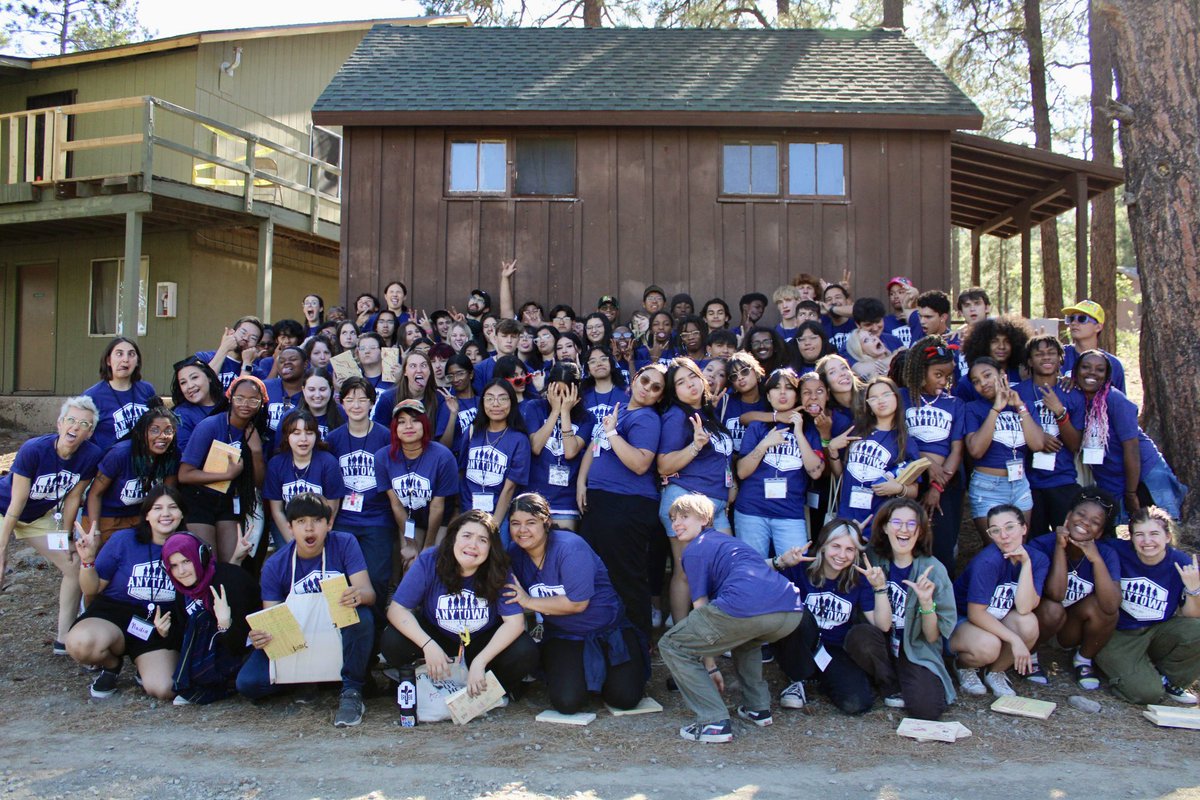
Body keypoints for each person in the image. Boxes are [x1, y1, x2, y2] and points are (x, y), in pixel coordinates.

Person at [658, 493, 804, 743]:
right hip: (790, 612)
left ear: (704, 519)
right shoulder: (730, 542)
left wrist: (710, 665)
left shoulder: (693, 551)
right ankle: (757, 707)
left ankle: (713, 721)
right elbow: (757, 569)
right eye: (673, 519)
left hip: (747, 606)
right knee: (747, 638)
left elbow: (701, 610)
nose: (676, 524)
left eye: (684, 517)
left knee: (672, 645)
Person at [236, 493, 376, 728]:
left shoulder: (344, 543)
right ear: (289, 528)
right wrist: (261, 635)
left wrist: (357, 595)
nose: (309, 529)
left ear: (329, 524)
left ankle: (351, 690)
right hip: (298, 639)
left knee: (362, 616)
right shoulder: (275, 564)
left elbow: (369, 594)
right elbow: (271, 618)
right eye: (301, 522)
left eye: (316, 521)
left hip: (335, 631)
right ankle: (308, 678)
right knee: (249, 683)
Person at [504, 493, 646, 714]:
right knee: (567, 703)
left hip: (608, 630)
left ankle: (612, 672)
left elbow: (578, 604)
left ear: (546, 522)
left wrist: (529, 601)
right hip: (564, 634)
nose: (522, 530)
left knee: (624, 698)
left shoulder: (569, 547)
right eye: (515, 524)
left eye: (531, 522)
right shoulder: (515, 554)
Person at [381, 509, 539, 703]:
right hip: (440, 638)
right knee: (392, 640)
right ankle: (421, 682)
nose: (473, 545)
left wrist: (480, 662)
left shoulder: (498, 567)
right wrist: (428, 645)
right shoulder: (430, 560)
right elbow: (397, 609)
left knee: (524, 650)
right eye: (467, 536)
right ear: (453, 538)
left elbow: (514, 623)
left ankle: (493, 689)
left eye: (483, 540)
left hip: (481, 641)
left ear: (491, 547)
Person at [0, 397, 103, 652]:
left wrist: (64, 536)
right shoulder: (34, 449)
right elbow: (17, 501)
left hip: (35, 517)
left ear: (89, 432)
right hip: (5, 508)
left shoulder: (91, 455)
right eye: (71, 420)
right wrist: (2, 547)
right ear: (59, 424)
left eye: (83, 423)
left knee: (74, 564)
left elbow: (73, 498)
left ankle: (64, 637)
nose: (75, 427)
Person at [66, 485, 184, 700]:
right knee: (81, 643)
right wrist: (87, 561)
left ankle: (143, 664)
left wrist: (235, 560)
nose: (165, 514)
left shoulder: (191, 545)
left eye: (173, 507)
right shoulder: (124, 540)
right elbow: (91, 588)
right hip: (115, 613)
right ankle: (112, 665)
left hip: (161, 622)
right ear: (147, 514)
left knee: (165, 689)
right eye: (157, 508)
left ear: (182, 513)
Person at [845, 500, 957, 719]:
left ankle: (907, 678)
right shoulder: (872, 559)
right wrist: (852, 538)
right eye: (896, 522)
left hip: (916, 648)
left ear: (920, 530)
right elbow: (837, 555)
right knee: (859, 636)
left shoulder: (934, 570)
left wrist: (926, 604)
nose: (903, 530)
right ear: (885, 527)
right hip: (883, 642)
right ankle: (889, 683)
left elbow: (933, 636)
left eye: (911, 524)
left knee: (928, 710)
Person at [577, 364, 665, 636]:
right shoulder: (622, 411)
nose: (647, 388)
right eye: (645, 380)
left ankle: (639, 642)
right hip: (601, 500)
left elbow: (640, 463)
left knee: (626, 576)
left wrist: (613, 433)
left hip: (627, 504)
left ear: (660, 397)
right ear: (635, 378)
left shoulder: (647, 418)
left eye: (656, 388)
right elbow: (595, 448)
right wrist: (582, 482)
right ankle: (607, 635)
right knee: (600, 573)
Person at [772, 518, 890, 715]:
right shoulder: (799, 568)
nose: (841, 555)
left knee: (857, 703)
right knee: (799, 615)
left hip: (832, 649)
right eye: (836, 546)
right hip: (797, 644)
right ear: (823, 546)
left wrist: (879, 588)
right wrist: (781, 563)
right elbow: (755, 583)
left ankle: (822, 679)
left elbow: (884, 626)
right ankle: (796, 679)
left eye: (850, 549)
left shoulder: (859, 579)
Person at [657, 357, 736, 624]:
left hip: (716, 505)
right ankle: (682, 635)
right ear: (673, 391)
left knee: (723, 567)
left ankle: (716, 632)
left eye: (692, 376)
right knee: (686, 571)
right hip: (686, 500)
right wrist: (694, 447)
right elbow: (663, 465)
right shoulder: (676, 416)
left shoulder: (709, 414)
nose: (689, 384)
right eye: (680, 382)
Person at [1095, 506, 1200, 704]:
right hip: (1117, 633)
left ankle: (1170, 681)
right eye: (1139, 535)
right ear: (1131, 538)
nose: (1147, 541)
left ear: (1168, 536)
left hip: (1156, 630)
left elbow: (1192, 616)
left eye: (1154, 534)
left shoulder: (1180, 562)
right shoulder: (1115, 550)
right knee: (1148, 694)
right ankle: (1125, 670)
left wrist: (1194, 590)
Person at [1074, 350, 1185, 521]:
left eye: (1100, 369)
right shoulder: (1076, 398)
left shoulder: (1115, 399)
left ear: (1107, 375)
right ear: (1075, 371)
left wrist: (1131, 492)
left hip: (1142, 471)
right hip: (1109, 475)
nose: (1092, 373)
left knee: (1154, 523)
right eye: (1085, 367)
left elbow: (1131, 448)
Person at [950, 504, 1048, 698]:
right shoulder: (988, 561)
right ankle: (963, 666)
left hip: (996, 618)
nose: (1003, 535)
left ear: (1024, 528)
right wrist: (1014, 639)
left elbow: (1024, 607)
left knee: (1028, 623)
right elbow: (975, 613)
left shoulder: (1038, 559)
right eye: (995, 530)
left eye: (1009, 527)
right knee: (988, 646)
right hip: (963, 621)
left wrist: (1026, 564)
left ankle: (995, 672)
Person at [1027, 487, 1120, 689]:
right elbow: (1056, 594)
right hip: (1040, 621)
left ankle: (1083, 660)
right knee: (1053, 608)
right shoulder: (1041, 545)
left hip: (1070, 629)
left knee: (1104, 608)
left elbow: (1111, 606)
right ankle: (1031, 655)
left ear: (1100, 532)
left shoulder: (1105, 553)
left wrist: (1095, 558)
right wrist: (1060, 548)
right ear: (1068, 516)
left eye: (1095, 522)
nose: (1086, 522)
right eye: (1081, 514)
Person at [159, 530, 259, 704]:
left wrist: (225, 624)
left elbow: (242, 642)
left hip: (246, 648)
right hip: (218, 646)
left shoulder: (230, 581)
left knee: (202, 618)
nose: (181, 571)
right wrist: (165, 633)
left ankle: (220, 683)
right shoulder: (184, 590)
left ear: (201, 557)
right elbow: (184, 635)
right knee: (199, 619)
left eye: (186, 561)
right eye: (174, 565)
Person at [734, 368, 825, 556]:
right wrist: (765, 444)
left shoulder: (809, 430)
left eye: (789, 388)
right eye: (776, 388)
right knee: (753, 570)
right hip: (752, 511)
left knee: (796, 571)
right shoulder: (757, 427)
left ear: (796, 395)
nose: (782, 393)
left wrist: (798, 433)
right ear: (768, 396)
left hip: (790, 513)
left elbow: (815, 471)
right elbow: (742, 472)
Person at [326, 377, 394, 623]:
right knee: (341, 579)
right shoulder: (333, 440)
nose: (356, 405)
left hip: (378, 519)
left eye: (362, 399)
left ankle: (374, 638)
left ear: (372, 403)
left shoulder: (385, 436)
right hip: (343, 518)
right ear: (341, 403)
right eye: (350, 399)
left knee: (376, 578)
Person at [177, 375, 266, 561]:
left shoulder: (254, 431)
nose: (245, 404)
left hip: (229, 501)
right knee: (207, 562)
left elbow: (258, 482)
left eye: (253, 400)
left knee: (233, 562)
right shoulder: (209, 426)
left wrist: (256, 451)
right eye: (240, 398)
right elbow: (184, 475)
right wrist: (226, 474)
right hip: (199, 500)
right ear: (230, 398)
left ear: (261, 403)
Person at [899, 336, 966, 574]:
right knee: (908, 543)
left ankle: (939, 604)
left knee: (942, 546)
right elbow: (901, 436)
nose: (943, 381)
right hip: (910, 480)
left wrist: (937, 488)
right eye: (938, 374)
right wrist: (925, 463)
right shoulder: (902, 398)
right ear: (920, 370)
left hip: (945, 484)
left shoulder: (955, 403)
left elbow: (956, 448)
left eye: (948, 376)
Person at [963, 357, 1046, 539]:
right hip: (988, 486)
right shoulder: (972, 408)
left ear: (1002, 375)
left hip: (1020, 484)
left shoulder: (1025, 405)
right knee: (995, 547)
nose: (983, 383)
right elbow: (976, 451)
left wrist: (1019, 406)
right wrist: (996, 409)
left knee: (1019, 545)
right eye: (976, 382)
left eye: (987, 376)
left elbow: (1038, 444)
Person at [377, 399, 460, 572]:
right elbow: (396, 504)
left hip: (441, 519)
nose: (408, 426)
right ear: (394, 428)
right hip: (409, 518)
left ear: (424, 425)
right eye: (401, 422)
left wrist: (428, 547)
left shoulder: (443, 456)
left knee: (434, 563)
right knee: (410, 565)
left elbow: (438, 507)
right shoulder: (382, 457)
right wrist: (410, 543)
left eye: (415, 420)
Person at [826, 377, 920, 527]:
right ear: (868, 404)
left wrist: (899, 489)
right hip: (846, 517)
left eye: (886, 395)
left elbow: (914, 490)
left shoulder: (906, 442)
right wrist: (832, 449)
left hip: (879, 522)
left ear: (896, 397)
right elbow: (840, 474)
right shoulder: (855, 430)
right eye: (874, 398)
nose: (881, 401)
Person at [1017, 335, 1085, 537]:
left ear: (1060, 358)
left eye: (1051, 353)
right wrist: (1038, 440)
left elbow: (1075, 445)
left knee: (1068, 540)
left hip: (1062, 480)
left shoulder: (1073, 394)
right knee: (1033, 543)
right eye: (1039, 354)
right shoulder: (1017, 394)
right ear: (1029, 361)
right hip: (1026, 483)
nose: (1046, 358)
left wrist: (1060, 413)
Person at [84, 407, 180, 541]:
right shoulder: (120, 454)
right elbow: (95, 494)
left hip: (141, 516)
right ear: (141, 433)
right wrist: (94, 532)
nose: (163, 436)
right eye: (154, 430)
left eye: (168, 431)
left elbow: (167, 496)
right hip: (107, 515)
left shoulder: (172, 456)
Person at [521, 363, 594, 530]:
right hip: (535, 495)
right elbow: (536, 447)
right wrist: (555, 412)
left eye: (566, 393)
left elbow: (570, 452)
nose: (561, 397)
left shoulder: (586, 418)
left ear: (576, 391)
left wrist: (565, 412)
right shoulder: (535, 407)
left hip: (565, 499)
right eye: (556, 392)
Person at [459, 380, 530, 537]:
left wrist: (494, 525)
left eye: (502, 398)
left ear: (511, 402)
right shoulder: (472, 431)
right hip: (468, 512)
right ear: (482, 402)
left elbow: (509, 488)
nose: (495, 404)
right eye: (489, 398)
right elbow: (462, 472)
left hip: (500, 516)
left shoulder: (519, 439)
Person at [263, 410, 345, 542]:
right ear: (286, 436)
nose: (303, 439)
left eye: (309, 433)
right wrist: (293, 542)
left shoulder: (328, 462)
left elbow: (332, 508)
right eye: (296, 433)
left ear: (316, 436)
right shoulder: (276, 464)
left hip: (320, 530)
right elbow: (277, 511)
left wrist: (315, 538)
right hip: (287, 528)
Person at [84, 337, 159, 453]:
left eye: (131, 354)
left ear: (137, 361)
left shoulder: (147, 389)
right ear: (108, 360)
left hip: (144, 461)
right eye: (119, 354)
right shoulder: (91, 397)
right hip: (110, 464)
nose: (126, 359)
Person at [955, 315, 1031, 402]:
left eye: (1007, 341)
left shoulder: (1023, 375)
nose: (1001, 346)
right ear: (983, 344)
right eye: (994, 341)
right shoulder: (968, 382)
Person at [1060, 299, 1125, 393]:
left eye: (1082, 319)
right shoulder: (1058, 356)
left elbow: (1119, 404)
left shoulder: (1113, 364)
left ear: (1098, 327)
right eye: (1071, 318)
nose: (1074, 323)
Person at [170, 357, 227, 453]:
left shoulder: (227, 404)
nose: (190, 386)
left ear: (209, 377)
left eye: (194, 377)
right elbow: (185, 453)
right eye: (183, 383)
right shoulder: (181, 414)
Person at [198, 315, 266, 390]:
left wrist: (247, 364)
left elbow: (242, 398)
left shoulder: (257, 372)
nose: (246, 338)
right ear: (231, 332)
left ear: (256, 346)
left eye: (253, 338)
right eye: (243, 332)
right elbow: (203, 385)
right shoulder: (203, 357)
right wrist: (224, 348)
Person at [262, 346, 308, 454]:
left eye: (292, 359)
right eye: (281, 361)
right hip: (265, 453)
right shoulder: (265, 387)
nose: (286, 363)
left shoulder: (312, 391)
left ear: (305, 364)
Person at [720, 352, 767, 452]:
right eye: (734, 376)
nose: (740, 377)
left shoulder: (769, 403)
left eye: (744, 371)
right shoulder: (724, 402)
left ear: (756, 371)